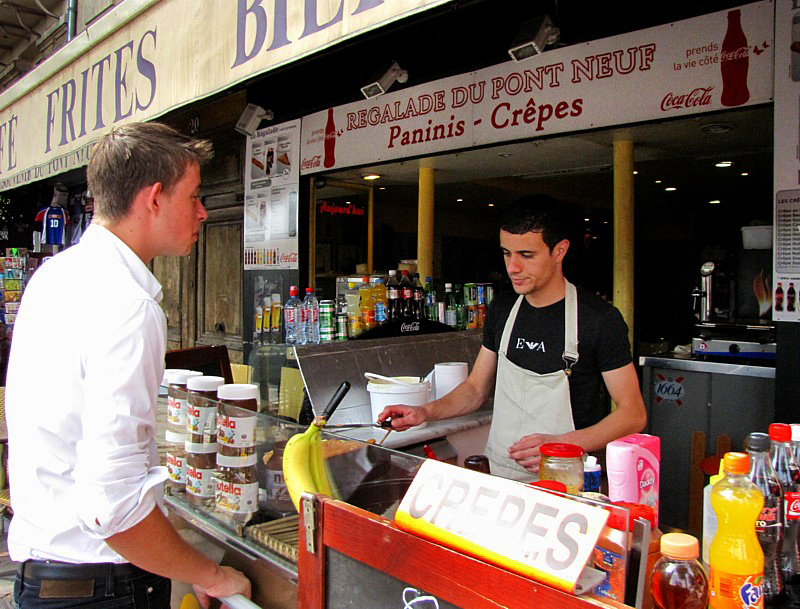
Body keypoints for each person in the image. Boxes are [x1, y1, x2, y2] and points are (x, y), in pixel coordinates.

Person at [5, 122, 251, 608]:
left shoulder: (53, 275)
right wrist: (214, 576)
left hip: (43, 576)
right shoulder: (129, 305)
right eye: (195, 196)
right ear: (154, 198)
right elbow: (113, 507)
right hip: (100, 588)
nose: (203, 211)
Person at [378, 195, 647, 480]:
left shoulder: (599, 319)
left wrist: (562, 444)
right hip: (501, 473)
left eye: (526, 255)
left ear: (559, 251)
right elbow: (474, 390)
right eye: (507, 253)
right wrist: (424, 412)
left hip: (566, 478)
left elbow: (633, 413)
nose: (513, 267)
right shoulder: (503, 309)